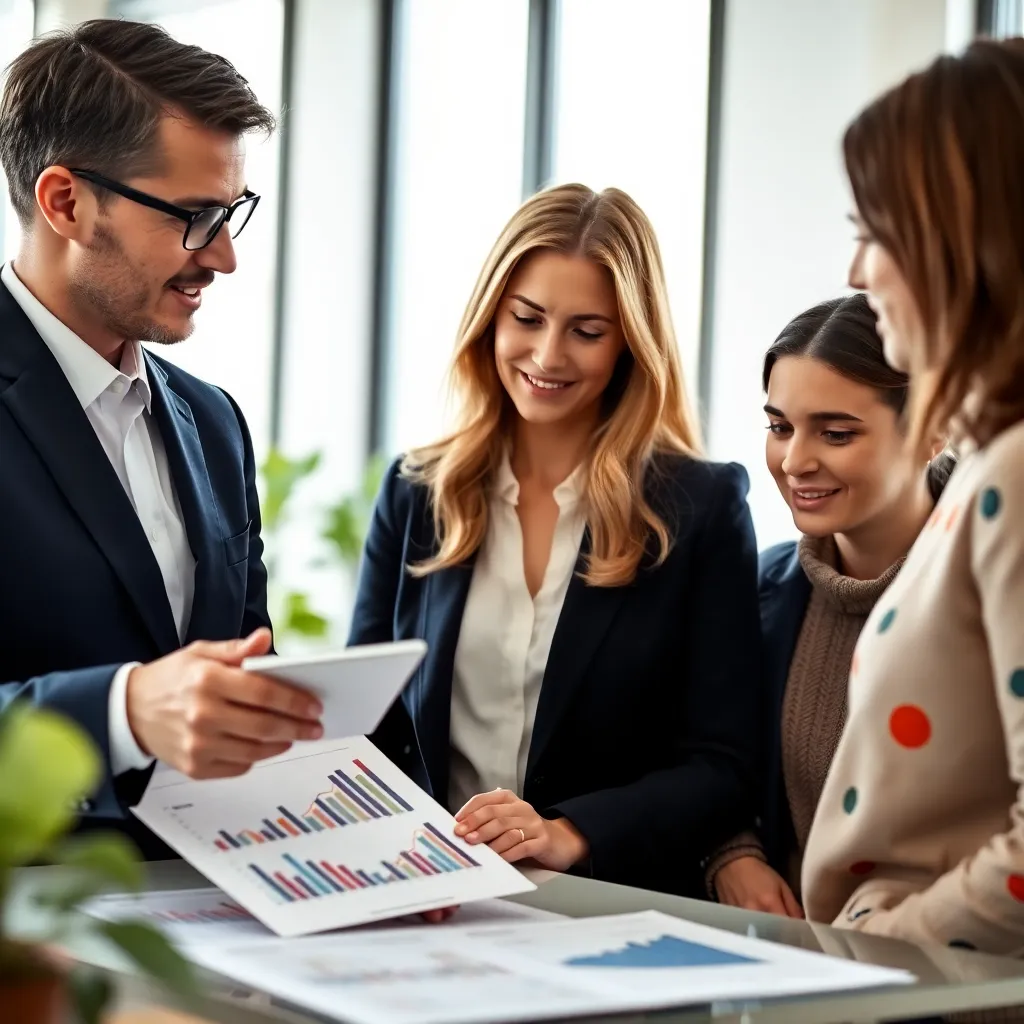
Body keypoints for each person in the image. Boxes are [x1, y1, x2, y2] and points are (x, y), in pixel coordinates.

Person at [348, 183, 762, 896]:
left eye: (587, 330)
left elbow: (724, 764)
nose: (548, 354)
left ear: (631, 338)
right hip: (432, 894)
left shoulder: (699, 507)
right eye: (528, 318)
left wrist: (569, 832)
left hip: (610, 901)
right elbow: (367, 724)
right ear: (491, 318)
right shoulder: (419, 490)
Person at [0, 20, 323, 858]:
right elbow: (150, 702)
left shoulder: (212, 422)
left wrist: (383, 851)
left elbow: (243, 683)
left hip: (218, 915)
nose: (222, 258)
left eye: (231, 215)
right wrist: (125, 711)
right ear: (65, 202)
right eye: (193, 217)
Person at [802, 37, 1024, 956]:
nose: (857, 274)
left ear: (955, 240)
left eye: (872, 233)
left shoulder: (1015, 472)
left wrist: (891, 946)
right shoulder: (984, 467)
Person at [707, 294, 952, 917]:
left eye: (835, 433)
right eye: (780, 426)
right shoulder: (759, 588)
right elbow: (710, 761)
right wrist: (731, 854)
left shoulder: (991, 595)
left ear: (933, 428)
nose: (794, 461)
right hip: (802, 985)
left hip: (959, 992)